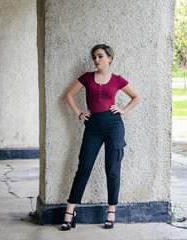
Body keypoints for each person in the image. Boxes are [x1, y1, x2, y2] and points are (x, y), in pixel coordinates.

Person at [62, 44, 141, 230]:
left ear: (109, 58)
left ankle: (111, 210)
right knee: (84, 167)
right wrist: (80, 114)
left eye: (100, 56)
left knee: (112, 169)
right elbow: (69, 95)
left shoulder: (117, 80)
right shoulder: (87, 78)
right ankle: (70, 210)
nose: (96, 60)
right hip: (93, 127)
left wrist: (123, 110)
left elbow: (136, 96)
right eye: (94, 57)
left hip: (114, 126)